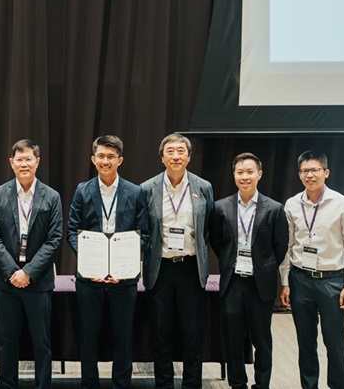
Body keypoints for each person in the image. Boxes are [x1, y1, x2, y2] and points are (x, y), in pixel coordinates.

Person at [67, 135, 148, 389]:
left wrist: (124, 266)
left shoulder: (135, 192)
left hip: (124, 279)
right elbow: (72, 230)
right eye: (100, 156)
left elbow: (144, 234)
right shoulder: (82, 190)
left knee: (123, 337)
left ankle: (121, 383)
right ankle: (89, 383)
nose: (105, 161)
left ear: (120, 160)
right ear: (93, 159)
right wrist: (92, 262)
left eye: (111, 156)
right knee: (88, 337)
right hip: (90, 278)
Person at [279, 150, 344, 389]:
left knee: (335, 343)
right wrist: (285, 281)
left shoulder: (343, 204)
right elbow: (288, 245)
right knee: (305, 343)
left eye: (315, 170)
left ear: (326, 172)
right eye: (304, 171)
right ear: (299, 174)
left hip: (332, 282)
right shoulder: (292, 204)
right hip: (300, 279)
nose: (309, 175)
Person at [0, 139, 63, 389]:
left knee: (41, 342)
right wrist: (12, 272)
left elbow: (54, 239)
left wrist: (28, 272)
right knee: (7, 342)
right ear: (11, 163)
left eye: (29, 158)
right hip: (6, 282)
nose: (24, 163)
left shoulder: (51, 196)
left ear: (37, 162)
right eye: (19, 159)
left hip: (38, 282)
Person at [140, 133, 214, 389]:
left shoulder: (203, 187)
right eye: (170, 151)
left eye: (181, 151)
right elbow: (143, 230)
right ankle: (164, 385)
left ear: (189, 157)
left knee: (192, 335)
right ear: (162, 157)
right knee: (162, 335)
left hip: (191, 269)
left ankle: (192, 385)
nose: (175, 156)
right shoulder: (147, 188)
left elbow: (208, 229)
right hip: (160, 270)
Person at [209, 153, 288, 389]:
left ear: (259, 175)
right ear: (234, 175)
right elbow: (217, 240)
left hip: (259, 284)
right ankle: (238, 384)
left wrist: (264, 267)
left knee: (262, 341)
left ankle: (262, 384)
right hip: (232, 282)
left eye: (250, 172)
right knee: (233, 340)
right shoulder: (220, 207)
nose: (245, 177)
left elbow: (280, 246)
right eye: (240, 172)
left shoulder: (274, 209)